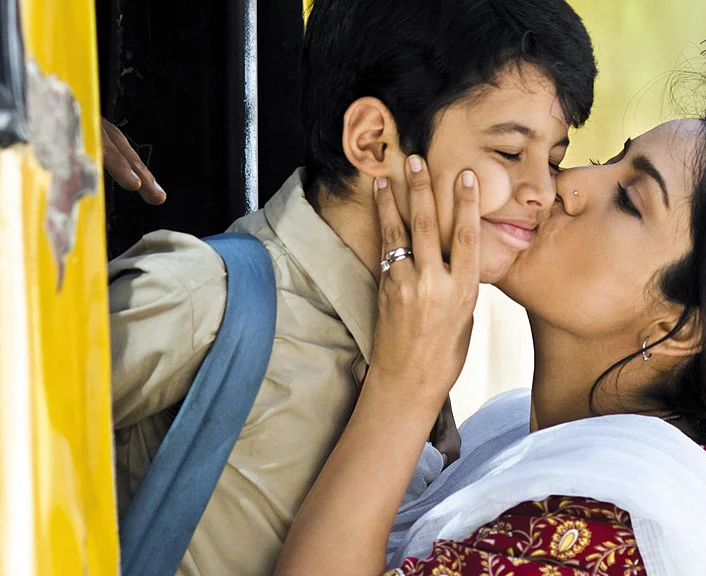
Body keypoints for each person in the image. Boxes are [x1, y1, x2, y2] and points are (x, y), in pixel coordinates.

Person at [273, 95, 706, 576]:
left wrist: (406, 385)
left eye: (628, 200)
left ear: (680, 328)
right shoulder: (515, 433)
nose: (566, 184)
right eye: (610, 157)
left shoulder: (608, 535)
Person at [108, 0, 596, 573]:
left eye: (554, 160)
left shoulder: (417, 347)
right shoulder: (203, 300)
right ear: (374, 142)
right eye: (510, 152)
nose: (543, 190)